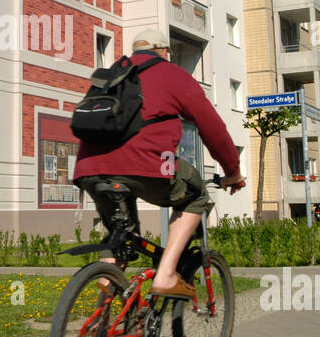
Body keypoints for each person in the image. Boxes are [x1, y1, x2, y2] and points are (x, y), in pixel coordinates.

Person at [73, 28, 245, 298]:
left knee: (121, 239)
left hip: (90, 169)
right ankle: (166, 274)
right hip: (146, 165)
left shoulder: (112, 74)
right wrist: (232, 171)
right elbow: (213, 128)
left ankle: (103, 318)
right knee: (196, 193)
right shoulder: (173, 75)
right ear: (166, 52)